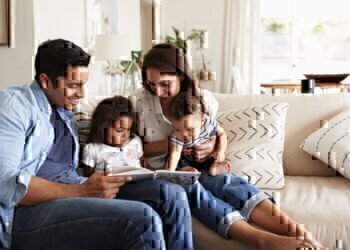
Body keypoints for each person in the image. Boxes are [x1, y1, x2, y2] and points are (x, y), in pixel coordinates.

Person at [0, 39, 193, 250]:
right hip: (26, 213)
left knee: (171, 195)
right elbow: (4, 184)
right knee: (141, 219)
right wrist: (81, 191)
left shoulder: (65, 111)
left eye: (83, 84)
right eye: (74, 86)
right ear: (46, 81)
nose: (82, 94)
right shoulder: (14, 106)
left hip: (74, 190)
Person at [132, 43, 324, 250]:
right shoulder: (139, 103)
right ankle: (262, 240)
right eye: (152, 84)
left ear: (181, 76)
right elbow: (133, 149)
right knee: (191, 187)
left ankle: (303, 235)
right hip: (165, 170)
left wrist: (209, 149)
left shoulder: (202, 100)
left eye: (165, 84)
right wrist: (171, 144)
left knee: (224, 182)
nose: (158, 92)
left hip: (201, 164)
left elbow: (214, 136)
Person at [166, 91, 231, 176]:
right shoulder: (177, 135)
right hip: (188, 160)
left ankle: (215, 168)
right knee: (171, 159)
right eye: (177, 129)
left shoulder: (208, 124)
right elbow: (175, 154)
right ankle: (185, 170)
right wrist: (168, 173)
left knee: (215, 159)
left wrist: (220, 151)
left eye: (189, 129)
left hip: (207, 158)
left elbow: (222, 134)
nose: (184, 134)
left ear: (202, 121)